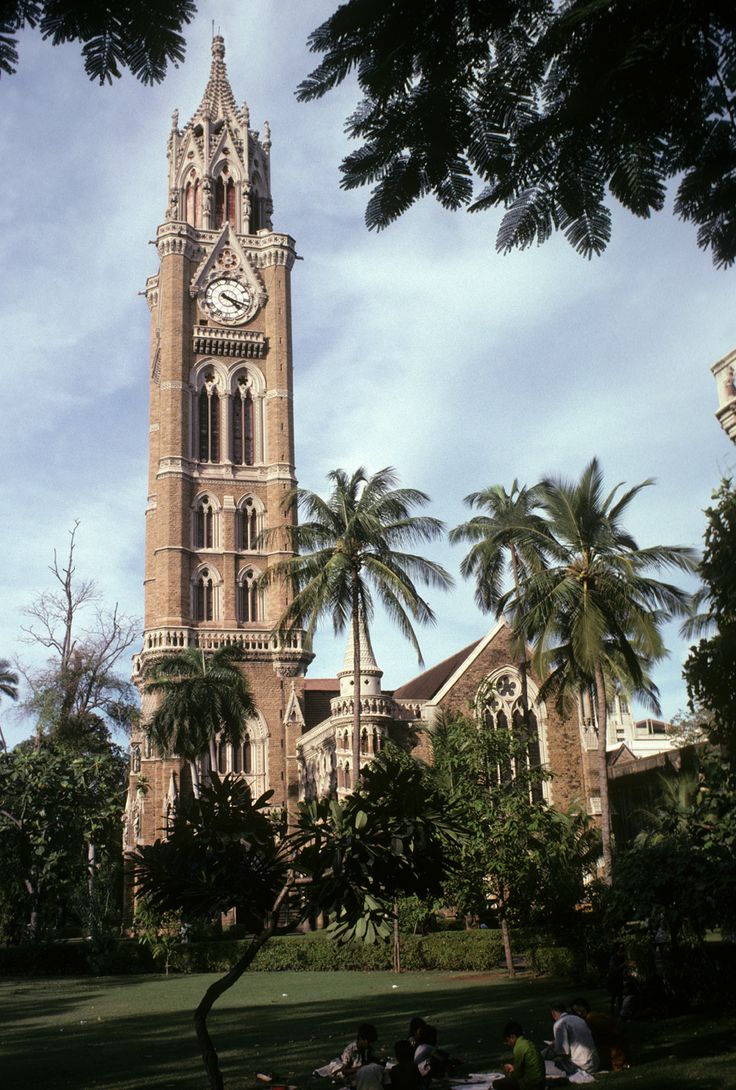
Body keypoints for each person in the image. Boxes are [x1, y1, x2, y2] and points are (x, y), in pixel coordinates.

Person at [543, 1004, 599, 1083]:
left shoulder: (559, 1023)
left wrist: (552, 1047)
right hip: (594, 1063)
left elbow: (562, 1052)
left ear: (553, 1013)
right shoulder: (579, 1019)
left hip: (580, 1066)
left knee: (542, 1065)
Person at [570, 998, 630, 1071]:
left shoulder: (592, 1018)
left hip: (614, 1048)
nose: (579, 1013)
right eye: (577, 1012)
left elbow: (611, 1035)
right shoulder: (589, 1018)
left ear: (585, 1008)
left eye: (581, 1010)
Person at [314, 1023, 379, 1082]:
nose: (369, 1044)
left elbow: (369, 1059)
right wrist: (361, 1068)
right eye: (368, 1042)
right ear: (361, 1039)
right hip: (343, 1067)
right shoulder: (350, 1050)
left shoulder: (367, 1048)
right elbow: (344, 1071)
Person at [491, 1021, 545, 1090]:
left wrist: (510, 1072)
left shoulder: (518, 1047)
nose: (508, 1043)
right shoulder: (528, 1043)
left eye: (507, 1040)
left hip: (531, 1084)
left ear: (512, 1037)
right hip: (541, 1083)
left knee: (496, 1083)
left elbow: (517, 1075)